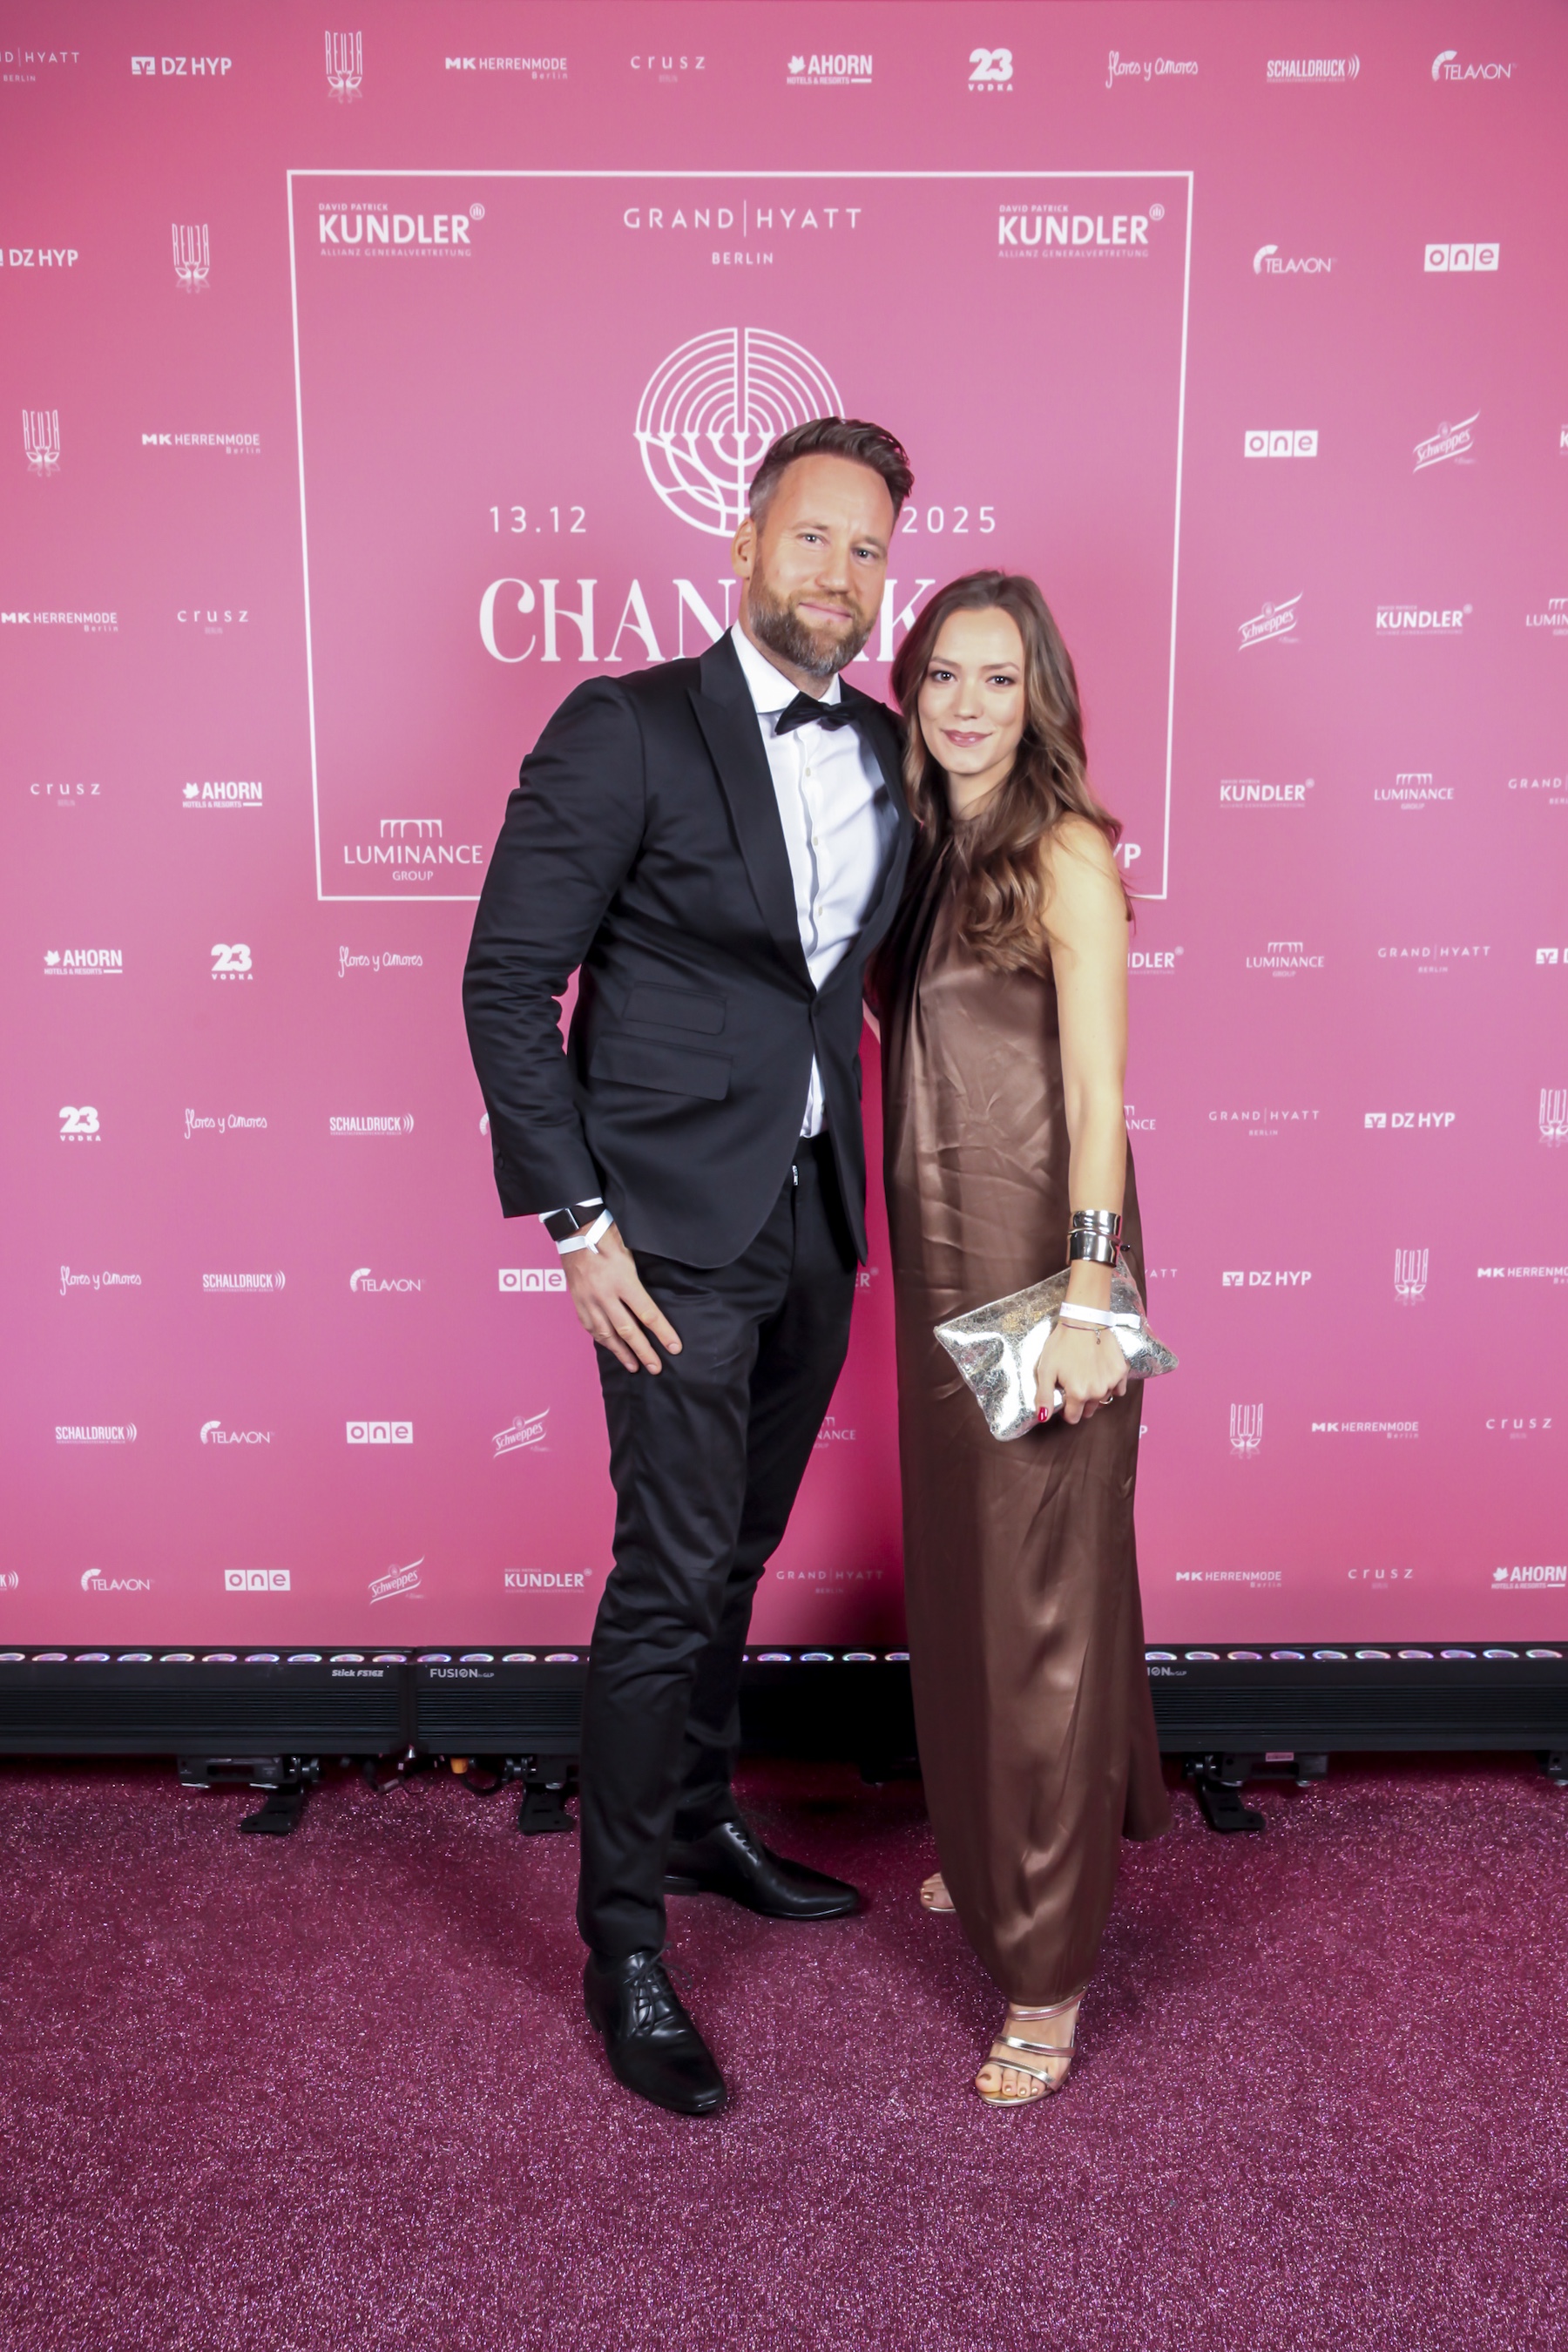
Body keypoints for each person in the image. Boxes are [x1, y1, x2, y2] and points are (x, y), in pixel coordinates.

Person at [463, 418, 916, 2117]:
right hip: (660, 1236)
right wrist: (579, 1228)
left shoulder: (887, 751)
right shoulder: (626, 726)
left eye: (868, 551)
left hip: (814, 1218)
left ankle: (703, 1817)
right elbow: (506, 985)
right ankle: (624, 1948)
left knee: (734, 1550)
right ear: (742, 543)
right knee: (665, 1574)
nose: (840, 575)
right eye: (814, 538)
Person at [873, 571, 1171, 2107]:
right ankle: (1003, 1843)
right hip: (942, 1271)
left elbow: (1102, 1096)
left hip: (1048, 1274)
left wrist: (1092, 1298)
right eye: (943, 676)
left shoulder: (1063, 849)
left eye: (999, 678)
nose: (969, 705)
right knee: (979, 1583)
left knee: (1040, 1613)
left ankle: (1045, 1973)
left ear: (1039, 694)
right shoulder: (924, 847)